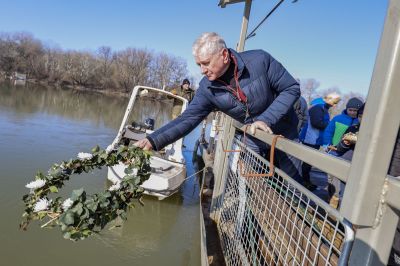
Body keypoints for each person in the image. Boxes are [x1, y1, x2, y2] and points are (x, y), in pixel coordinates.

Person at [135, 32, 304, 184]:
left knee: (292, 180)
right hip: (253, 136)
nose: (202, 70)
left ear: (224, 55)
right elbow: (187, 119)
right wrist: (153, 140)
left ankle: (298, 208)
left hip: (285, 131)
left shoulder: (260, 60)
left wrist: (265, 119)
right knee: (248, 179)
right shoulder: (207, 88)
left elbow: (291, 88)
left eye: (205, 63)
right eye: (199, 64)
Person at [299, 93, 341, 190]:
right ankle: (304, 182)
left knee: (308, 162)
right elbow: (316, 123)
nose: (335, 105)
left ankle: (305, 181)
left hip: (316, 140)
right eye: (334, 103)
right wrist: (330, 125)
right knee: (307, 162)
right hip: (311, 139)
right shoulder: (318, 108)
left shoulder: (323, 108)